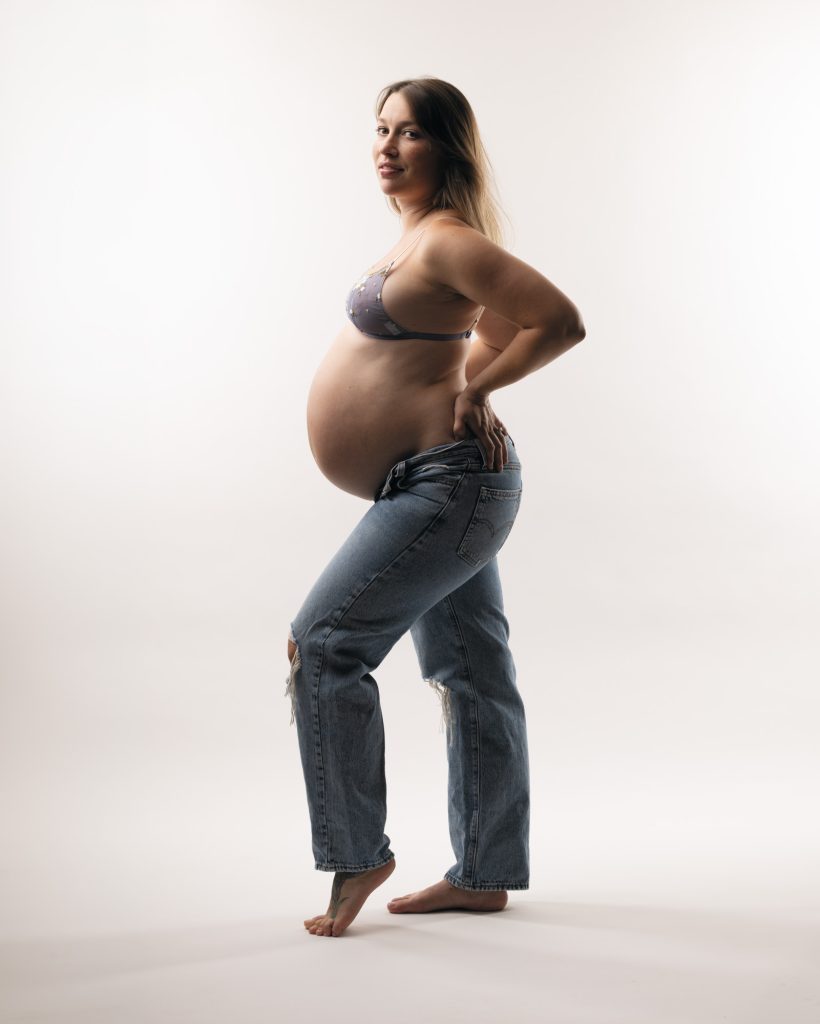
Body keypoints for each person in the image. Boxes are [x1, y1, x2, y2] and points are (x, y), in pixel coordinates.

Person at [286, 76, 586, 938]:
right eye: (380, 130)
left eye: (410, 133)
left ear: (449, 147)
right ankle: (485, 873)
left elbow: (556, 321)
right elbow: (492, 328)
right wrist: (476, 383)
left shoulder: (448, 240)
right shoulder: (414, 239)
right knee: (473, 671)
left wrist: (478, 391)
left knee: (327, 644)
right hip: (437, 487)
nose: (387, 147)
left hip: (448, 487)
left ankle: (357, 852)